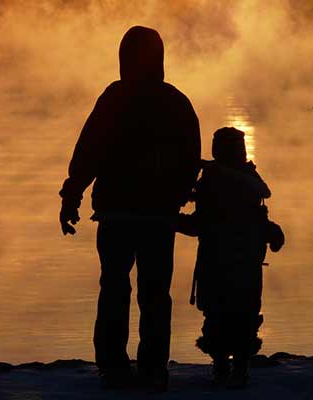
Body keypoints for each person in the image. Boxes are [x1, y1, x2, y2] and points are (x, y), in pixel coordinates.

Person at [59, 26, 201, 391]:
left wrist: (72, 195)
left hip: (117, 214)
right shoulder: (176, 103)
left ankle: (114, 367)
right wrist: (178, 194)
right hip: (155, 217)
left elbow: (88, 151)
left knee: (115, 288)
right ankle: (152, 369)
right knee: (154, 292)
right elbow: (189, 160)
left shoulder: (114, 98)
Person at [177, 127, 283, 388]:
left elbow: (200, 224)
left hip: (218, 263)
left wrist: (169, 220)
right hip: (244, 264)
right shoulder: (247, 180)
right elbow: (257, 219)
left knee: (219, 317)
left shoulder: (212, 180)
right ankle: (236, 369)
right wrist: (272, 232)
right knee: (242, 317)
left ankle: (225, 368)